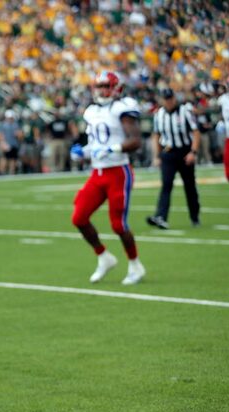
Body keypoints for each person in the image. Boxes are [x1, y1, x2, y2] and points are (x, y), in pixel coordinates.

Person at [70, 71, 145, 285]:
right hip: (97, 172)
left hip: (118, 171)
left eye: (106, 86)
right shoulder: (91, 111)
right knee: (79, 217)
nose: (102, 90)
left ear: (116, 88)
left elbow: (135, 140)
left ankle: (135, 265)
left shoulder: (122, 107)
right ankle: (104, 257)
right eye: (99, 86)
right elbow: (95, 144)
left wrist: (112, 149)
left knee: (118, 225)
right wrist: (82, 152)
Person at [147, 88, 200, 230]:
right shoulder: (159, 115)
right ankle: (161, 217)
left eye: (170, 98)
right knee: (166, 184)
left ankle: (194, 216)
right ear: (162, 100)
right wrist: (157, 156)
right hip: (168, 153)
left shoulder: (185, 112)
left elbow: (195, 132)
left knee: (190, 186)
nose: (168, 101)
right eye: (166, 99)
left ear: (174, 98)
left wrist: (193, 152)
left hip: (184, 152)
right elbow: (156, 136)